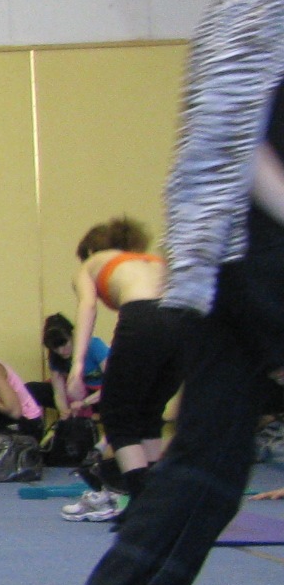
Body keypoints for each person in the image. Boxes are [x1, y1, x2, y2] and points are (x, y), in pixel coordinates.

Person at [55, 0, 284, 585]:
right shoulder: (272, 2)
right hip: (256, 256)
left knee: (210, 465)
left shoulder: (229, 5)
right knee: (206, 459)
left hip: (211, 266)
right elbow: (246, 145)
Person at [62, 218, 183, 522]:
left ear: (90, 250)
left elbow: (87, 307)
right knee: (149, 416)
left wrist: (77, 365)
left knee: (117, 417)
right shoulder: (150, 260)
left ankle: (142, 507)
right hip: (186, 321)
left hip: (144, 318)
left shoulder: (91, 264)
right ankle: (155, 502)